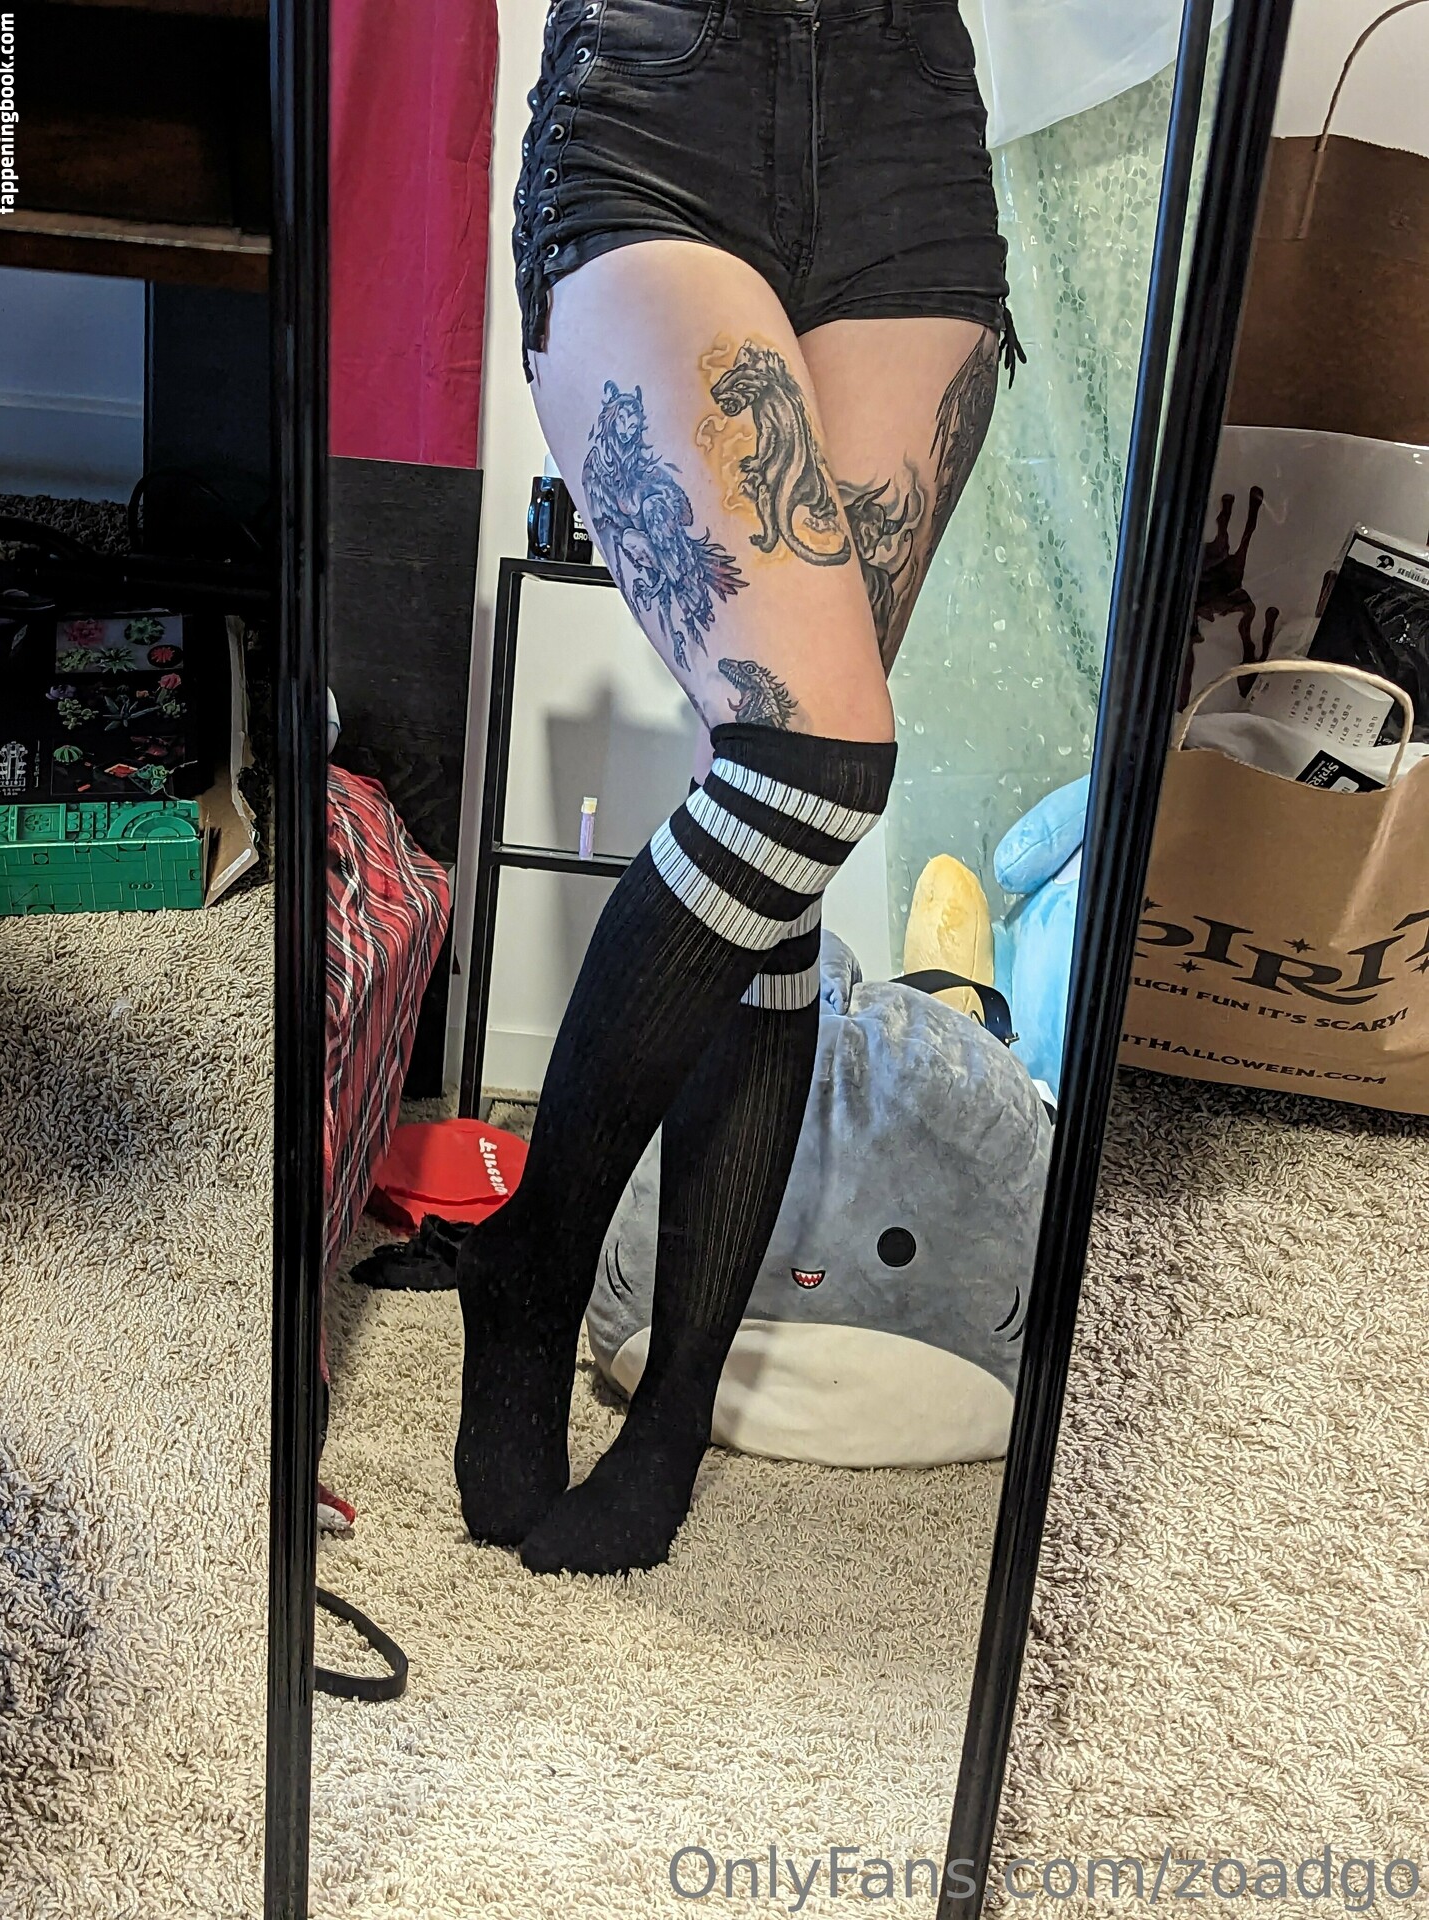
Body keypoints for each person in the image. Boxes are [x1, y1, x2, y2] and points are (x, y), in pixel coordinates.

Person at [376, 0, 1022, 1576]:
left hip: (909, 125)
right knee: (809, 760)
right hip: (663, 97)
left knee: (775, 842)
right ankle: (537, 1258)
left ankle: (670, 1413)